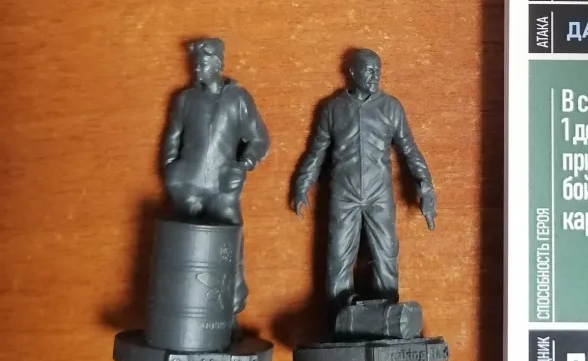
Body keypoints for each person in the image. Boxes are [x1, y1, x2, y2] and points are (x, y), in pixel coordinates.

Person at [291, 50, 436, 317]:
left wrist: (425, 185)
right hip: (343, 193)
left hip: (379, 193)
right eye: (369, 70)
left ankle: (388, 317)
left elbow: (409, 149)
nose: (374, 76)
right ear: (352, 72)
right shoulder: (333, 108)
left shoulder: (390, 107)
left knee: (386, 253)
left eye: (378, 70)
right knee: (338, 255)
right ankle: (338, 317)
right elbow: (317, 151)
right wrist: (302, 184)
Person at [161, 38, 270, 322]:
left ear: (218, 64)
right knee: (184, 251)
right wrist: (171, 173)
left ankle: (230, 313)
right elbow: (173, 137)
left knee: (229, 250)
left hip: (223, 189)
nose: (197, 68)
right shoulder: (185, 100)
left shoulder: (238, 99)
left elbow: (259, 139)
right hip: (188, 186)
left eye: (203, 63)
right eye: (195, 63)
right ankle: (182, 313)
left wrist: (243, 165)